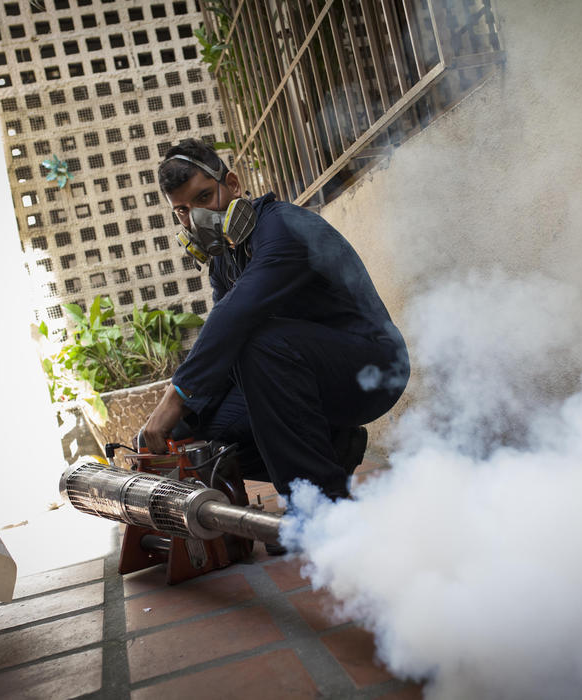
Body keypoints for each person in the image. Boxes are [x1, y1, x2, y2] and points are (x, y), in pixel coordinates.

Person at [141, 139, 409, 503]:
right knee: (203, 427)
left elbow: (235, 316)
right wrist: (182, 417)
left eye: (205, 198)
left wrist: (174, 398)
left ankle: (318, 501)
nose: (195, 218)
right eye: (183, 210)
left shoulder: (283, 228)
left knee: (255, 341)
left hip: (372, 372)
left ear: (233, 185)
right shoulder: (224, 261)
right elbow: (223, 350)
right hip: (309, 378)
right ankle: (335, 446)